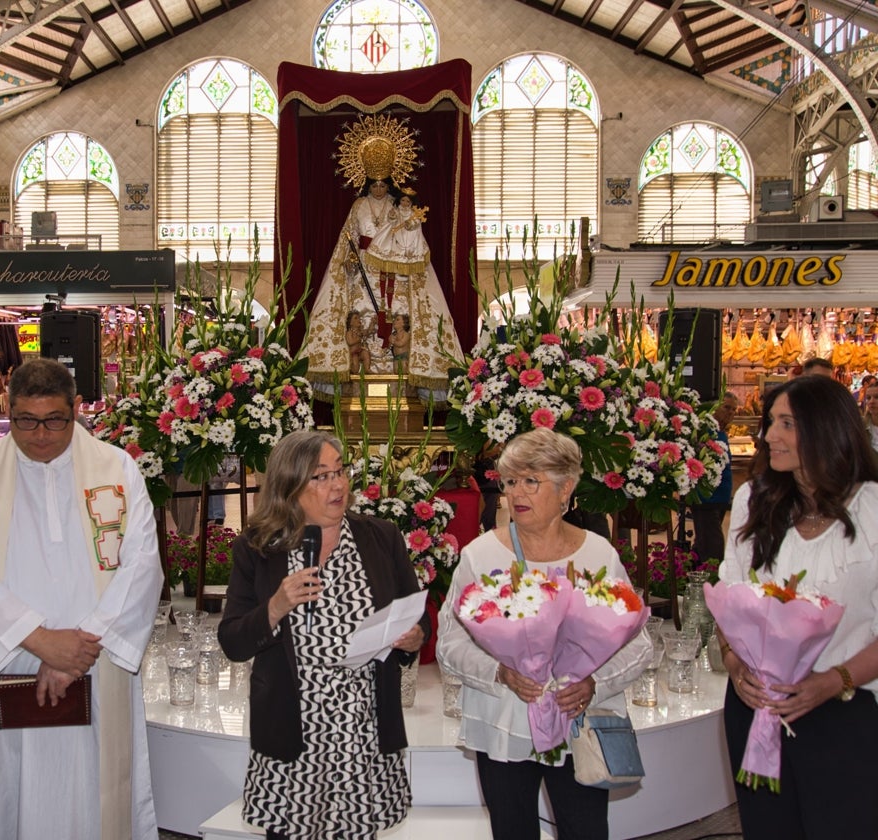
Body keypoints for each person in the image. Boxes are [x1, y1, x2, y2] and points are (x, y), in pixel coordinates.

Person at [0, 358, 164, 839]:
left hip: (93, 667)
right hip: (7, 668)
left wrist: (75, 652)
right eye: (25, 420)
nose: (40, 434)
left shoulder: (117, 468)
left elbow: (142, 565)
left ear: (77, 409)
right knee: (6, 794)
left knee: (94, 798)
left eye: (55, 420)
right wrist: (39, 641)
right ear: (8, 410)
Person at [437, 428, 651, 840]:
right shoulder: (480, 555)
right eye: (511, 481)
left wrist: (594, 683)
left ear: (566, 487)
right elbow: (450, 642)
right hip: (505, 720)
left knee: (585, 830)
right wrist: (499, 672)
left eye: (531, 481)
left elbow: (636, 642)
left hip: (578, 723)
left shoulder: (597, 554)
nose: (517, 493)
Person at [218, 429, 429, 840]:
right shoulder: (258, 548)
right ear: (290, 486)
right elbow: (233, 641)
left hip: (363, 731)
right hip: (292, 729)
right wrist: (276, 606)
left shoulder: (381, 536)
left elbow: (416, 615)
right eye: (320, 477)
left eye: (340, 471)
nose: (338, 485)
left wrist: (414, 638)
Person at [720, 375, 878, 838]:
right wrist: (735, 667)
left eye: (786, 424)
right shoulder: (753, 499)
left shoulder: (873, 508)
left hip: (844, 708)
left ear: (827, 428)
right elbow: (729, 598)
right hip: (755, 707)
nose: (769, 436)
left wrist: (832, 681)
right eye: (771, 422)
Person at [301, 176, 463, 395]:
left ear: (389, 186)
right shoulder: (359, 205)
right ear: (368, 185)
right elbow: (348, 237)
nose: (378, 190)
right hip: (363, 268)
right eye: (374, 185)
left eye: (383, 185)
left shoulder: (396, 205)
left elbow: (407, 234)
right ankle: (360, 373)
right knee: (361, 312)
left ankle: (402, 376)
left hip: (394, 267)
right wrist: (349, 258)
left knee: (400, 311)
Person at [690, 391, 739, 565]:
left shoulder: (722, 432)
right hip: (706, 499)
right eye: (726, 407)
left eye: (734, 410)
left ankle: (691, 573)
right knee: (713, 547)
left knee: (704, 543)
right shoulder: (704, 430)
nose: (730, 413)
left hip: (721, 498)